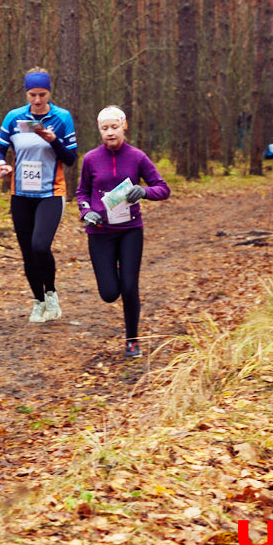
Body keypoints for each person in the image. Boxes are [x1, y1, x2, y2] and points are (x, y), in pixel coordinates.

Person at [75, 106, 170, 358]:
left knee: (129, 288)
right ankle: (115, 270)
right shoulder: (91, 159)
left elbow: (163, 188)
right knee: (109, 293)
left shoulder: (137, 157)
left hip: (130, 231)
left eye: (114, 127)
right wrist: (87, 212)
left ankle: (132, 341)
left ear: (123, 127)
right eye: (104, 128)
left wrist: (145, 191)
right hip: (100, 232)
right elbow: (82, 192)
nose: (109, 133)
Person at [0, 68, 78, 323]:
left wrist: (54, 140)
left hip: (51, 192)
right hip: (21, 194)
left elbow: (71, 158)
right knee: (27, 252)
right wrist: (1, 165)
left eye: (42, 94)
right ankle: (38, 301)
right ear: (26, 93)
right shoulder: (14, 117)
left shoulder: (61, 117)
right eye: (32, 95)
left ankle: (51, 293)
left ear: (49, 92)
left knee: (40, 245)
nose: (37, 100)